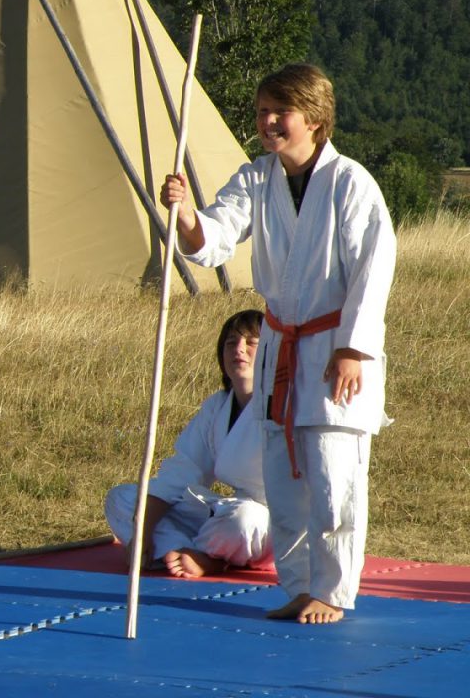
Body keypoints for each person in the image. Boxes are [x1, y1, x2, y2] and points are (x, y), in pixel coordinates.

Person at [160, 63, 395, 624]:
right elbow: (213, 240)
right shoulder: (256, 178)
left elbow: (373, 268)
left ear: (313, 119)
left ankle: (333, 592)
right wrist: (189, 215)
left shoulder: (350, 183)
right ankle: (299, 584)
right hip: (279, 347)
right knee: (285, 482)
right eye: (262, 111)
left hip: (334, 344)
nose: (267, 122)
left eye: (279, 112)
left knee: (333, 476)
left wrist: (353, 349)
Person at [105, 310, 273, 578]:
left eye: (251, 343)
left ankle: (209, 557)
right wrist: (143, 533)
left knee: (243, 518)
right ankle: (182, 552)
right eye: (230, 343)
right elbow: (180, 474)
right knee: (122, 499)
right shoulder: (217, 407)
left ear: (272, 352)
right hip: (224, 516)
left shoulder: (284, 407)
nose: (238, 350)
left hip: (270, 525)